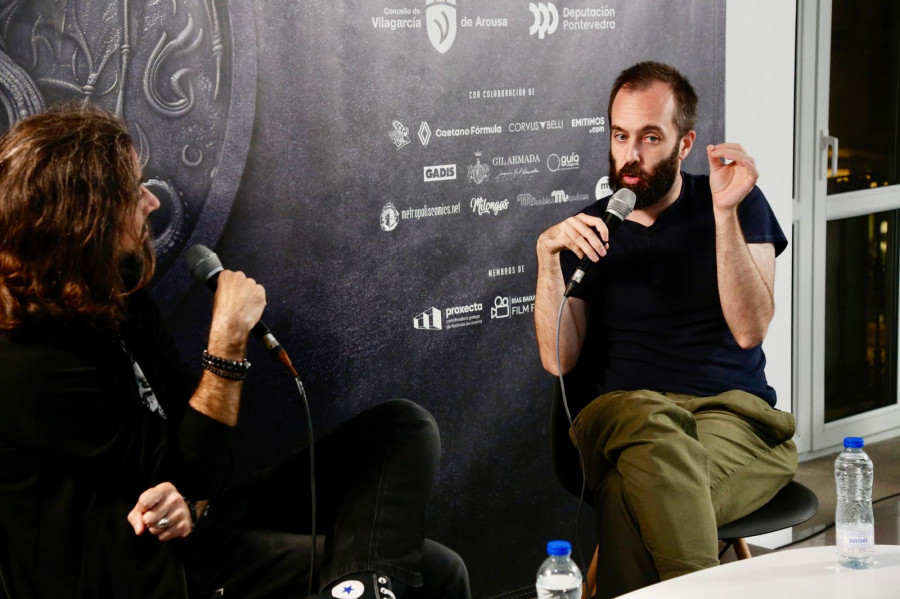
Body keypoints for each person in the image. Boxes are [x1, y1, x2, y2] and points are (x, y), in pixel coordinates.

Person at [0, 103, 470, 599]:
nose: (150, 202)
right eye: (130, 193)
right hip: (149, 570)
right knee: (436, 573)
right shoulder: (25, 357)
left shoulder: (118, 297)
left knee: (401, 426)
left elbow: (205, 461)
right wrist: (225, 340)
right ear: (84, 219)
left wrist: (190, 493)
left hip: (203, 515)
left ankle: (360, 589)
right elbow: (190, 468)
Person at [534, 61, 797, 597]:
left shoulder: (736, 204)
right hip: (620, 415)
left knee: (638, 495)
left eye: (651, 138)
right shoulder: (588, 231)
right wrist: (545, 258)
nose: (630, 156)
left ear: (684, 143)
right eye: (620, 136)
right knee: (650, 419)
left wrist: (725, 214)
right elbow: (558, 362)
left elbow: (750, 330)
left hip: (730, 419)